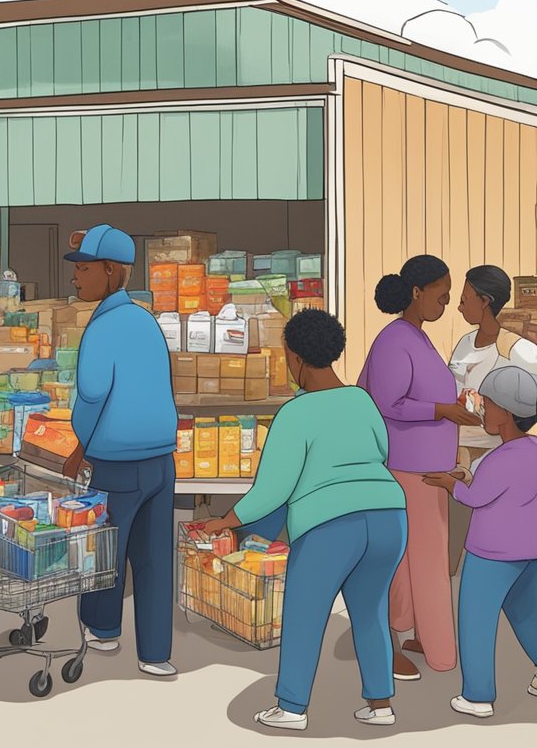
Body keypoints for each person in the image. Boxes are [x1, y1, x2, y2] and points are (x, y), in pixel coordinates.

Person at [196, 310, 408, 731]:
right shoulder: (361, 399)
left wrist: (226, 521)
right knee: (370, 611)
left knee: (304, 613)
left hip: (332, 526)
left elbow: (272, 490)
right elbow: (382, 451)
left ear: (294, 358)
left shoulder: (295, 415)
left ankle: (292, 707)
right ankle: (380, 704)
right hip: (389, 517)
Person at [59, 224, 179, 677]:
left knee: (103, 549)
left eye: (84, 269)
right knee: (152, 558)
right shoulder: (145, 321)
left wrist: (78, 447)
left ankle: (104, 629)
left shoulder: (104, 327)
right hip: (160, 460)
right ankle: (155, 654)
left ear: (109, 271)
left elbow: (91, 395)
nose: (76, 279)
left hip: (115, 461)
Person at [358, 255, 478, 680]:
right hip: (410, 469)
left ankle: (416, 633)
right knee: (427, 562)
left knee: (414, 560)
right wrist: (444, 409)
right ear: (416, 292)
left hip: (426, 467)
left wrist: (451, 407)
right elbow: (389, 401)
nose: (446, 305)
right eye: (442, 297)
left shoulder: (417, 337)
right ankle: (441, 652)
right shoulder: (396, 340)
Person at [421, 367, 537, 719]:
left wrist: (449, 483)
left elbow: (475, 499)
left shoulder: (500, 459)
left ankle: (478, 695)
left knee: (476, 620)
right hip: (530, 551)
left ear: (506, 412)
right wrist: (468, 477)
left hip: (491, 554)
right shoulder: (532, 450)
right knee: (528, 614)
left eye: (487, 404)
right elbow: (499, 489)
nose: (482, 409)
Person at [447, 265, 537, 574]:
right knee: (454, 550)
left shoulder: (515, 348)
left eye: (465, 298)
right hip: (457, 452)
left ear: (485, 301)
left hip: (495, 455)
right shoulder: (464, 344)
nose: (459, 306)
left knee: (491, 543)